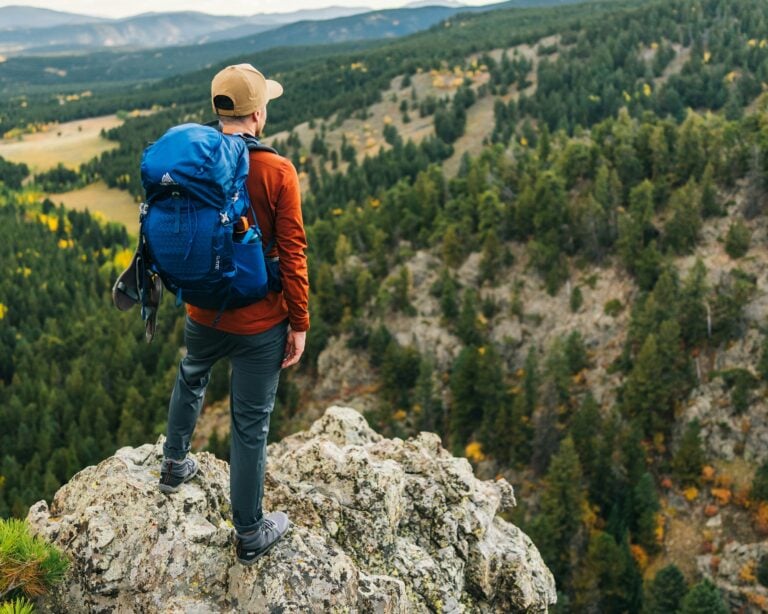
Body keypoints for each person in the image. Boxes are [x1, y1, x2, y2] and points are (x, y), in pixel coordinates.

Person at [157, 63, 309, 565]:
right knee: (250, 426)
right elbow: (293, 252)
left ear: (220, 110)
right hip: (261, 322)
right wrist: (300, 322)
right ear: (258, 114)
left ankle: (174, 464)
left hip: (203, 309)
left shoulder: (197, 164)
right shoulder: (277, 170)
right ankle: (249, 532)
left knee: (192, 374)